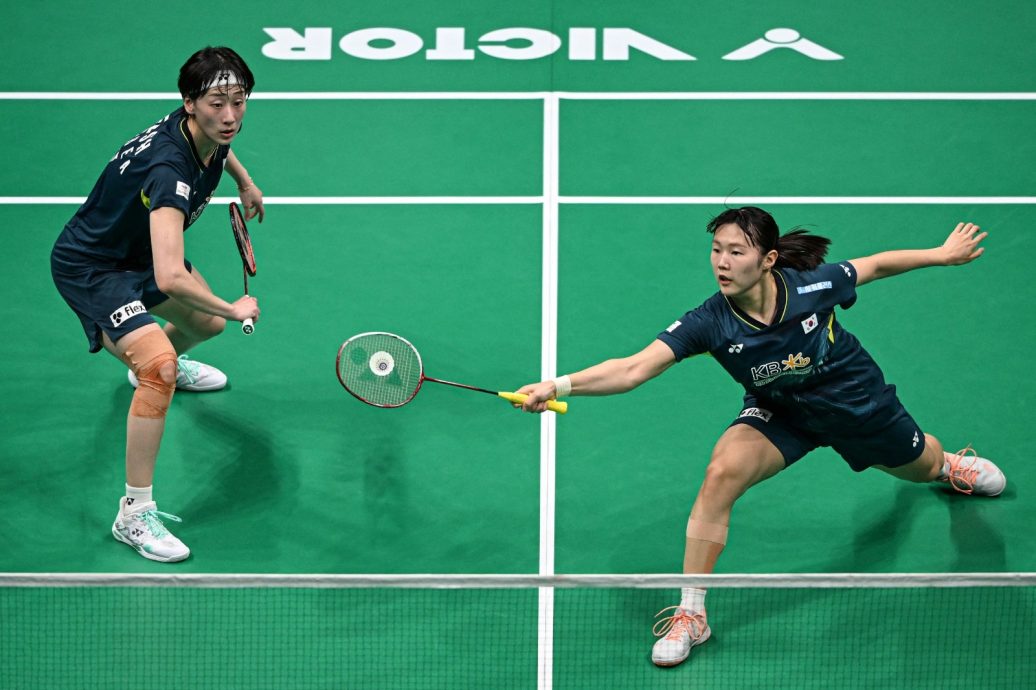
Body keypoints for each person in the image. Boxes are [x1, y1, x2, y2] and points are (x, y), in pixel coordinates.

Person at [514, 206, 1006, 667]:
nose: (722, 263)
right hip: (781, 411)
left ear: (768, 259)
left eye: (736, 252)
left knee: (921, 467)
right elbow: (633, 368)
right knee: (721, 474)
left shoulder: (813, 285)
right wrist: (558, 385)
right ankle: (692, 613)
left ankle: (947, 465)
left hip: (854, 401)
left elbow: (874, 266)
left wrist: (941, 254)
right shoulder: (710, 321)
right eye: (716, 250)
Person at [51, 46, 264, 562]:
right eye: (217, 104)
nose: (230, 116)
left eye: (239, 101)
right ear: (190, 103)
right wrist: (234, 307)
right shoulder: (169, 172)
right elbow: (171, 276)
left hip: (137, 252)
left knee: (205, 324)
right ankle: (134, 514)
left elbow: (221, 148)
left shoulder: (202, 129)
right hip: (94, 268)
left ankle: (146, 363)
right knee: (161, 367)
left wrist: (244, 180)